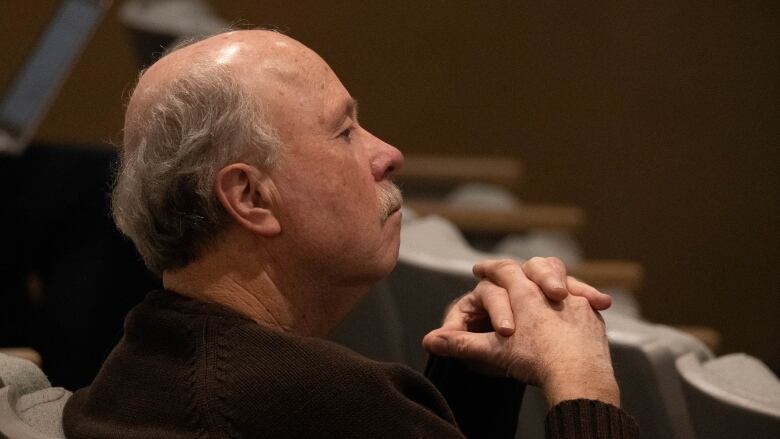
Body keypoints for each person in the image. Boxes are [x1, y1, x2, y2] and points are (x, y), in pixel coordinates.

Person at [63, 29, 638, 438]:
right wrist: (582, 382)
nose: (389, 154)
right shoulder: (326, 405)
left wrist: (472, 381)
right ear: (250, 197)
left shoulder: (134, 371)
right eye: (345, 133)